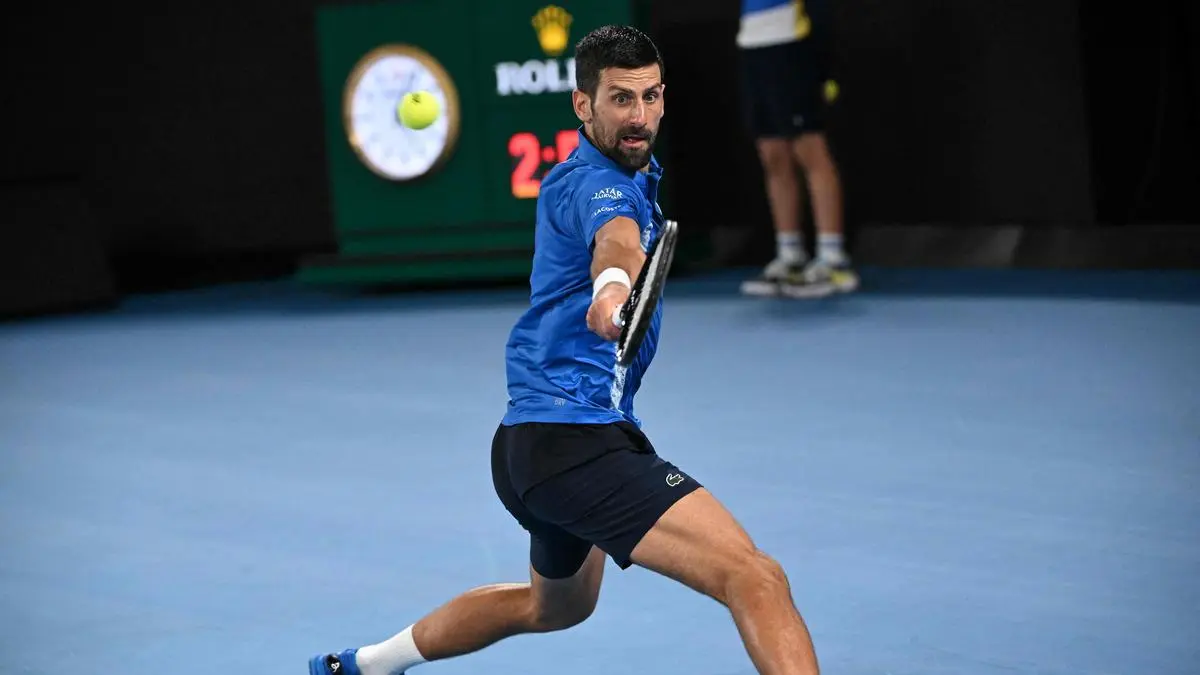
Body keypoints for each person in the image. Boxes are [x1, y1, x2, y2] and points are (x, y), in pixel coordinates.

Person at [308, 25, 821, 675]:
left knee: (554, 607)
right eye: (620, 99)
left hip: (528, 446)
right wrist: (611, 295)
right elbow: (617, 243)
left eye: (651, 96)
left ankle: (365, 664)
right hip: (573, 444)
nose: (639, 117)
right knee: (755, 577)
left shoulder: (617, 173)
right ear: (583, 105)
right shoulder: (596, 185)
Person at [737, 0, 858, 298]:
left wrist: (824, 65)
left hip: (793, 41)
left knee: (809, 149)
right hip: (753, 41)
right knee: (772, 154)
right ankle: (790, 256)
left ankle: (833, 259)